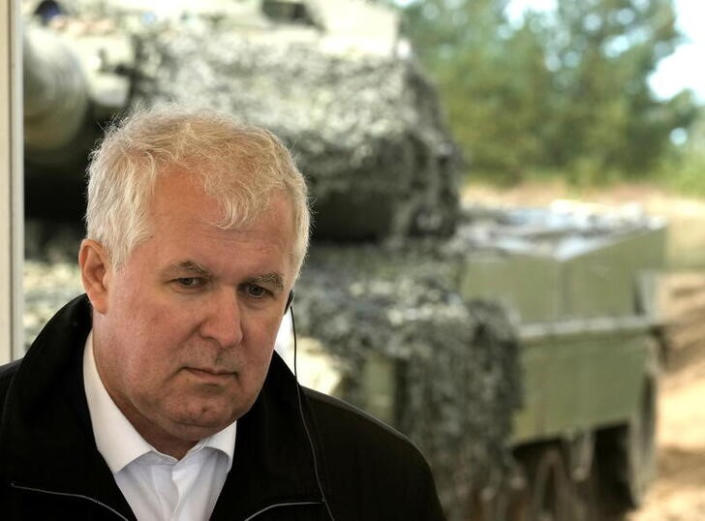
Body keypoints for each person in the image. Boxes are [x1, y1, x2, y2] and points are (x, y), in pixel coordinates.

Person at [0, 107, 445, 520]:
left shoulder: (381, 485)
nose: (226, 331)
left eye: (256, 291)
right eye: (190, 282)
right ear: (99, 275)